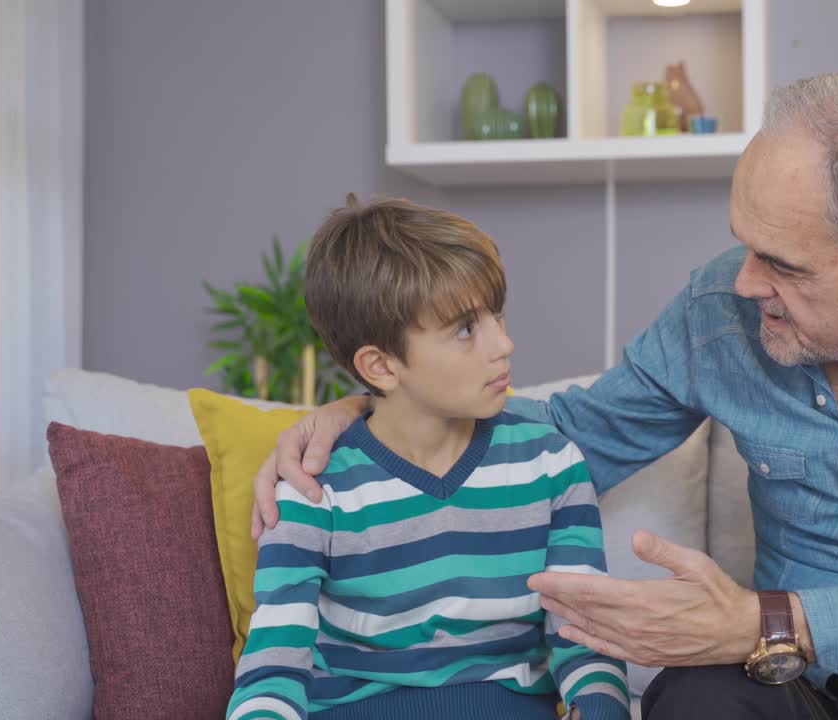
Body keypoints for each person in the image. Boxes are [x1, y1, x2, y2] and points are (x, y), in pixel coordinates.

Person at [250, 74, 838, 719]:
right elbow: (562, 440)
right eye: (745, 244)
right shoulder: (723, 309)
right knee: (696, 701)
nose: (746, 284)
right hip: (810, 689)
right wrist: (373, 411)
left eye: (784, 264)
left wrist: (765, 618)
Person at [227, 196, 629, 720]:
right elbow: (274, 670)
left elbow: (584, 638)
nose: (503, 344)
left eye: (497, 316)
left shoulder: (551, 463)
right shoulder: (313, 489)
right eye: (465, 329)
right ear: (381, 366)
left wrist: (598, 707)